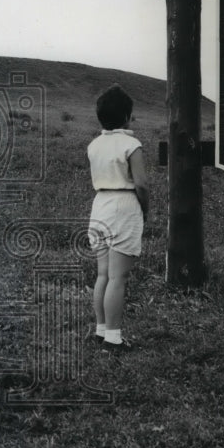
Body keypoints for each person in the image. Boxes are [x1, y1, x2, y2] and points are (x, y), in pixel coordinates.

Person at [86, 84, 149, 352]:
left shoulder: (94, 144)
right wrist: (145, 210)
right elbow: (142, 184)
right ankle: (113, 338)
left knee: (102, 274)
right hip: (123, 206)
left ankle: (101, 331)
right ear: (127, 115)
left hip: (100, 205)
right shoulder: (131, 144)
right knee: (118, 278)